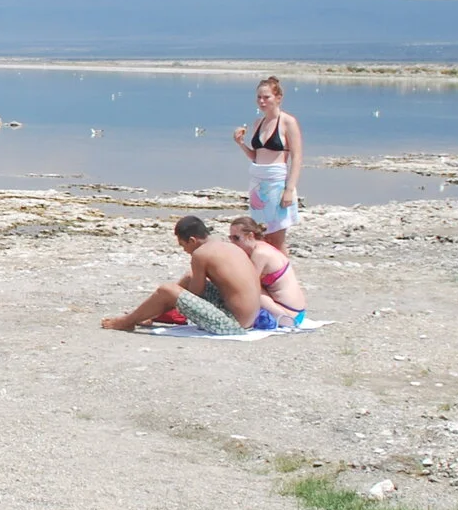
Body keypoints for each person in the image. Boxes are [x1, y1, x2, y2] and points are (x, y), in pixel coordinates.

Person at [100, 214, 269, 334]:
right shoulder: (227, 246)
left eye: (183, 245)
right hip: (249, 319)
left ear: (192, 240)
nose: (185, 250)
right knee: (188, 278)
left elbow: (194, 294)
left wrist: (171, 297)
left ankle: (127, 321)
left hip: (233, 324)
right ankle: (148, 315)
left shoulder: (201, 254)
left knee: (167, 291)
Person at [230, 75, 304, 252]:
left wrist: (289, 189)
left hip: (276, 182)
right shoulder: (258, 123)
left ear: (278, 98)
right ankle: (265, 267)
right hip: (257, 182)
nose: (262, 101)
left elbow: (297, 157)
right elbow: (256, 156)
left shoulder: (288, 122)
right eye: (259, 97)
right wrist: (241, 144)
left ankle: (282, 268)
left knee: (277, 237)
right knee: (261, 235)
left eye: (266, 97)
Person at [229, 216, 308, 326]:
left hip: (288, 315)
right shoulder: (262, 247)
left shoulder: (260, 254)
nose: (232, 243)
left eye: (236, 238)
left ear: (250, 236)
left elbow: (247, 284)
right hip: (296, 312)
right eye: (230, 238)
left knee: (250, 288)